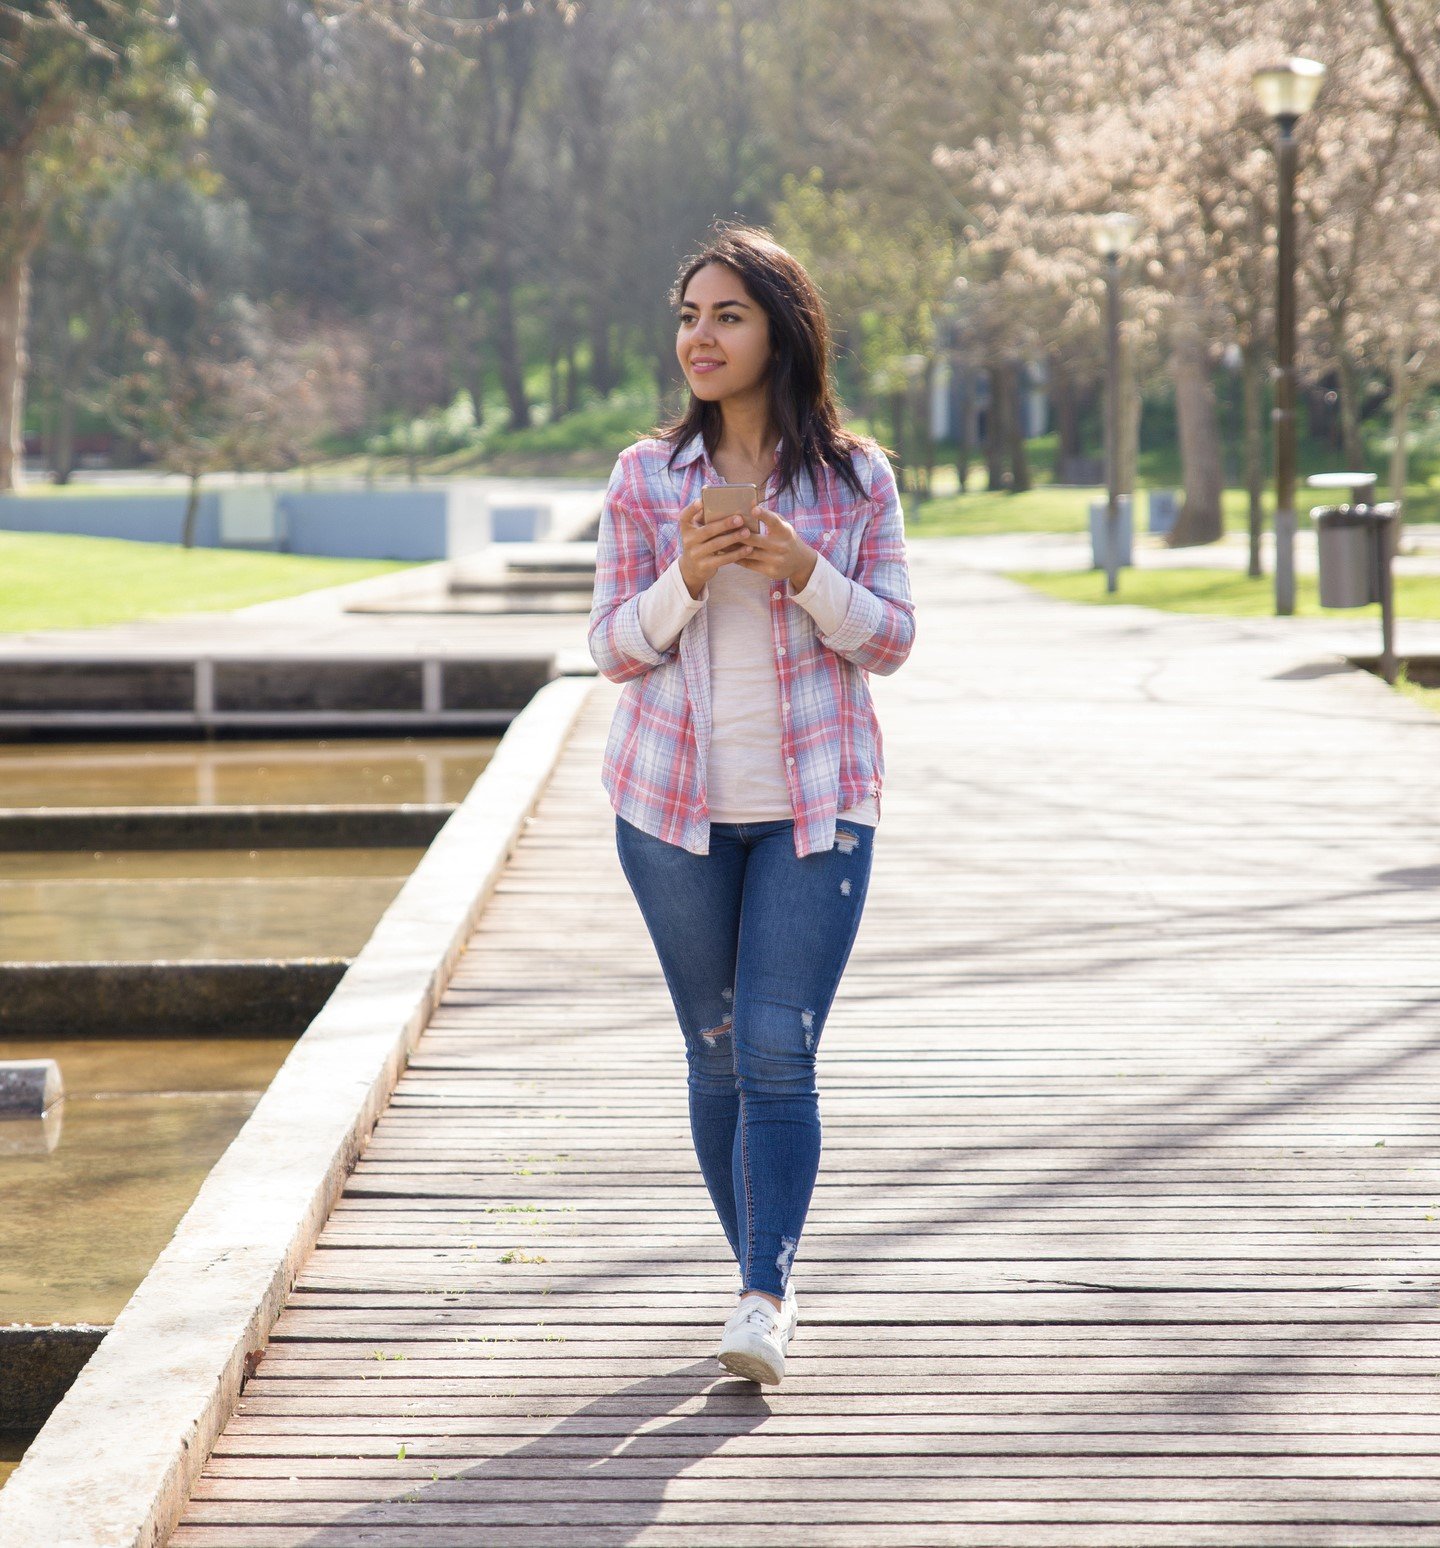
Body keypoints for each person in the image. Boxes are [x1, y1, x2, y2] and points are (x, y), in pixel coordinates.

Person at [587, 224, 915, 1386]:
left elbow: (894, 640)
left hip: (816, 811)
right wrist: (682, 578)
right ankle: (758, 1284)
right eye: (688, 316)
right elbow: (612, 652)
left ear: (781, 328)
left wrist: (804, 573)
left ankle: (764, 1297)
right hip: (669, 814)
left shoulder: (855, 479)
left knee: (781, 1048)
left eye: (727, 315)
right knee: (718, 1050)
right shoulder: (645, 478)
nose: (701, 337)